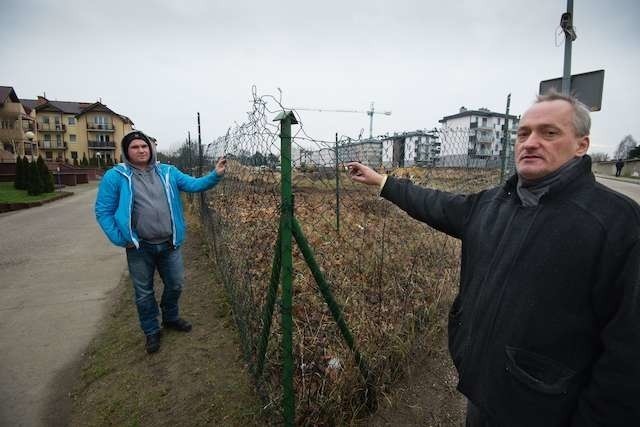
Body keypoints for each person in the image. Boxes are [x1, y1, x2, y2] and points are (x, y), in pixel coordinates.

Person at [347, 92, 640, 426]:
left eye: (549, 133)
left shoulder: (615, 223)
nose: (531, 142)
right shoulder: (494, 204)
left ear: (581, 145)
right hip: (484, 391)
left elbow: (628, 356)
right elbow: (436, 204)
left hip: (548, 410)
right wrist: (382, 182)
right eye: (524, 133)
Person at [95, 130, 226, 354]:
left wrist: (215, 174)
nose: (141, 150)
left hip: (169, 243)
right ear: (127, 152)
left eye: (144, 146)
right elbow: (103, 211)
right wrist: (120, 238)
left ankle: (171, 317)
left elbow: (194, 185)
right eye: (135, 147)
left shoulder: (167, 172)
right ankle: (151, 331)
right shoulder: (116, 176)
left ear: (151, 148)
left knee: (175, 284)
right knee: (144, 293)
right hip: (139, 246)